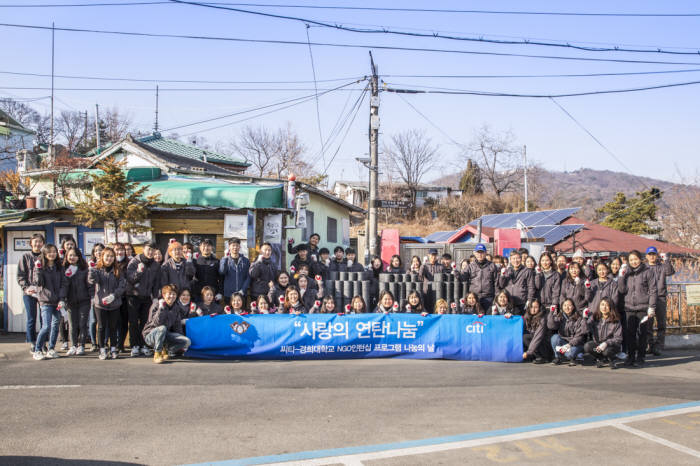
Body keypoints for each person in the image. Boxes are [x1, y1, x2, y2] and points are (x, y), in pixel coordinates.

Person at [617, 250, 657, 367]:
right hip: (629, 307)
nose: (634, 262)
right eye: (631, 260)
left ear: (640, 259)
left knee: (642, 334)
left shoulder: (647, 272)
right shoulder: (627, 272)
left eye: (635, 259)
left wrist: (652, 307)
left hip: (643, 308)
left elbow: (653, 290)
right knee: (630, 334)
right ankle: (630, 357)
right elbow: (622, 290)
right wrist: (621, 276)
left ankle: (640, 357)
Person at [87, 246, 126, 361]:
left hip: (114, 303)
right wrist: (91, 270)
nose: (109, 258)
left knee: (113, 327)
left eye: (111, 256)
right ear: (102, 257)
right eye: (107, 256)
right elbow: (92, 281)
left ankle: (113, 348)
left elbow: (122, 286)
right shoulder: (98, 269)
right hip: (100, 304)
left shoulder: (118, 270)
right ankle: (102, 348)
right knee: (102, 327)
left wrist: (114, 295)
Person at [31, 244, 67, 360]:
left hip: (57, 302)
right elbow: (38, 283)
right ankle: (37, 350)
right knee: (46, 326)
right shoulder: (40, 267)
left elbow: (64, 283)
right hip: (45, 301)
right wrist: (38, 269)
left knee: (56, 324)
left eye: (54, 252)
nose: (52, 254)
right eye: (49, 252)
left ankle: (51, 349)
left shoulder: (59, 267)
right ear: (45, 254)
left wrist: (62, 299)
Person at [125, 242, 160, 357]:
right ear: (143, 249)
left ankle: (144, 345)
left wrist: (155, 297)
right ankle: (134, 345)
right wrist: (139, 272)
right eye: (148, 249)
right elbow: (130, 279)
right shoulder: (135, 261)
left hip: (147, 297)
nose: (150, 252)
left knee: (146, 322)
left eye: (153, 250)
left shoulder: (155, 265)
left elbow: (156, 283)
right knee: (134, 322)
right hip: (133, 296)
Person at [142, 284, 191, 364]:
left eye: (174, 294)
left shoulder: (176, 308)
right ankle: (157, 353)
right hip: (151, 335)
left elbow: (177, 326)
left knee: (187, 341)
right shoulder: (156, 305)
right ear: (164, 295)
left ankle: (166, 351)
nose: (172, 296)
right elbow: (155, 323)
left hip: (165, 335)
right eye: (169, 294)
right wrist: (161, 308)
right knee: (162, 328)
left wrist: (180, 340)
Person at [17, 233, 45, 354]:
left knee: (44, 318)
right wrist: (25, 288)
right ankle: (32, 342)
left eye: (40, 241)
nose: (37, 244)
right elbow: (20, 275)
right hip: (29, 292)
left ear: (43, 243)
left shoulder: (45, 256)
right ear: (31, 243)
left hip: (43, 292)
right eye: (35, 241)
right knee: (31, 318)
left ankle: (43, 343)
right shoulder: (25, 256)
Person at [645, 246, 675, 355]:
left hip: (660, 298)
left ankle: (659, 346)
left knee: (661, 324)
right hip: (648, 299)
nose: (652, 256)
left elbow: (670, 272)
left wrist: (666, 259)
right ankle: (649, 345)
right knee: (648, 323)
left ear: (657, 255)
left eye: (654, 254)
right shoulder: (644, 268)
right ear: (646, 256)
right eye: (650, 254)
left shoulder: (662, 266)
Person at [63, 248, 91, 356]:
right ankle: (73, 345)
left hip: (84, 301)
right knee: (72, 325)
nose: (72, 257)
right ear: (66, 256)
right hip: (70, 302)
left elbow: (89, 284)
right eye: (70, 255)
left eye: (74, 255)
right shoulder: (64, 269)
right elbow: (63, 286)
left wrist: (91, 297)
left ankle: (81, 346)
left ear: (79, 257)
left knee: (82, 324)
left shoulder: (84, 269)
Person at [584, 297, 623, 368]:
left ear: (611, 307)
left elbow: (618, 338)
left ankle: (612, 359)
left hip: (611, 346)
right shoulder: (594, 317)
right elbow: (585, 330)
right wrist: (584, 319)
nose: (604, 307)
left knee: (606, 351)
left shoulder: (616, 320)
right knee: (587, 346)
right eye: (602, 305)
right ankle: (601, 359)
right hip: (598, 343)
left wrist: (606, 343)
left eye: (607, 305)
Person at [548, 298, 587, 366]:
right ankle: (558, 357)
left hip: (575, 344)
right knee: (554, 337)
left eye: (569, 305)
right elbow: (551, 326)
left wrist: (569, 345)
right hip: (564, 342)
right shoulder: (560, 316)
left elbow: (580, 336)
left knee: (571, 353)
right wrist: (551, 313)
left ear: (573, 306)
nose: (567, 307)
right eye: (565, 305)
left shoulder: (579, 318)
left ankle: (575, 355)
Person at [465, 244, 499, 311]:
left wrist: (496, 298)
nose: (480, 255)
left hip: (489, 297)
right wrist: (456, 273)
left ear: (485, 253)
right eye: (478, 252)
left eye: (482, 252)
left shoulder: (492, 266)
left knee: (488, 318)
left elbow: (496, 282)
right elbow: (463, 278)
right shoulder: (470, 266)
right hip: (474, 298)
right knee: (475, 319)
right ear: (474, 253)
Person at [113, 242, 130, 353]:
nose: (119, 252)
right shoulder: (110, 263)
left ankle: (120, 344)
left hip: (126, 297)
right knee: (114, 322)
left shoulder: (129, 263)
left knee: (124, 322)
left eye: (122, 250)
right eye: (117, 250)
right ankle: (113, 344)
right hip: (113, 297)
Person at [523, 299, 548, 364]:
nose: (533, 309)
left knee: (527, 337)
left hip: (544, 344)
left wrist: (529, 352)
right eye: (531, 307)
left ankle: (542, 357)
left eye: (536, 307)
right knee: (525, 336)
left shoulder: (543, 318)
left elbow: (538, 337)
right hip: (534, 344)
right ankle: (534, 356)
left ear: (540, 308)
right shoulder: (527, 316)